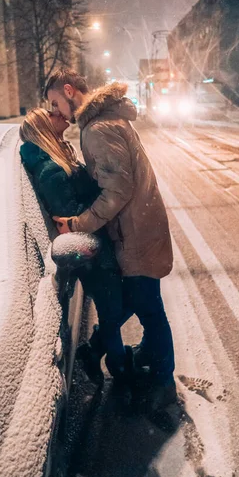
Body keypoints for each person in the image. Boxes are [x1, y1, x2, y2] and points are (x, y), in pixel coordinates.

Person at [45, 68, 176, 410]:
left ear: (70, 91)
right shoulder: (104, 122)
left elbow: (117, 190)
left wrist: (77, 224)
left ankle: (163, 382)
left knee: (148, 307)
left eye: (55, 102)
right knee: (144, 301)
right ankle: (143, 356)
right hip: (139, 226)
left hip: (135, 231)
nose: (55, 111)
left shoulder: (98, 129)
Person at [19, 107, 133, 386]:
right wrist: (99, 205)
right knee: (114, 308)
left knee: (119, 305)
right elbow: (67, 217)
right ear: (44, 126)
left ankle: (95, 351)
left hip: (97, 244)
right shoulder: (49, 170)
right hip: (89, 252)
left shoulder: (58, 156)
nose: (59, 113)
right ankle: (119, 371)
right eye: (52, 112)